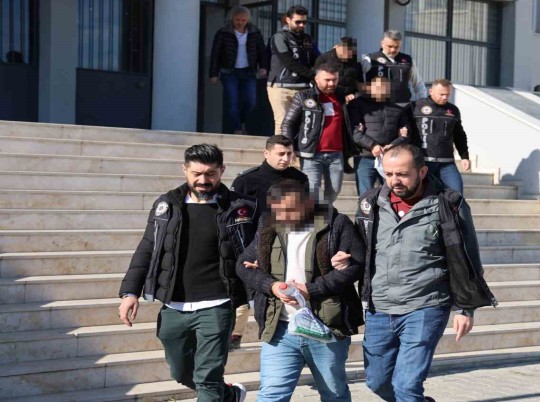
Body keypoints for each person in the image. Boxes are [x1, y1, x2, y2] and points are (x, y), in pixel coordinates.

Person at [351, 143, 494, 402]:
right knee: (377, 381)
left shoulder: (449, 204)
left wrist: (466, 308)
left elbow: (468, 257)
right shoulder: (369, 203)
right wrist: (345, 259)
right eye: (389, 174)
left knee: (406, 386)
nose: (394, 180)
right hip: (379, 307)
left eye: (403, 174)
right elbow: (360, 250)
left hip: (426, 306)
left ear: (422, 171)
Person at [118, 144, 257, 402]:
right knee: (181, 371)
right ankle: (229, 396)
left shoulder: (242, 207)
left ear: (222, 170)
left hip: (218, 304)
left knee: (207, 377)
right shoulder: (166, 205)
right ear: (185, 170)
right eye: (196, 174)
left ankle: (217, 393)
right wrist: (130, 292)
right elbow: (147, 248)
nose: (203, 180)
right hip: (174, 305)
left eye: (210, 174)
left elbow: (262, 244)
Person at [235, 179, 364, 401]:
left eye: (290, 209)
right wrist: (271, 286)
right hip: (280, 329)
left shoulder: (336, 224)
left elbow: (357, 266)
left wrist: (311, 290)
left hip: (326, 327)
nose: (284, 216)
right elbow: (242, 265)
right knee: (271, 394)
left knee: (334, 394)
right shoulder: (268, 226)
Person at [227, 134, 309, 350]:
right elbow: (233, 218)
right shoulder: (246, 181)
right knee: (243, 291)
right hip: (249, 243)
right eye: (280, 154)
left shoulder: (300, 179)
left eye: (289, 154)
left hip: (286, 245)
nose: (285, 158)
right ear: (266, 153)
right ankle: (235, 333)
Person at [281, 63, 357, 205]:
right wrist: (288, 147)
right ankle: (316, 215)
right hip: (311, 153)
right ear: (316, 79)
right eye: (327, 80)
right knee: (312, 191)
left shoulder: (342, 96)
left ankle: (324, 213)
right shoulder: (303, 97)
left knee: (334, 191)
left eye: (334, 80)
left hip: (336, 154)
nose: (331, 83)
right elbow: (288, 123)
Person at [210, 5, 268, 134]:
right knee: (232, 101)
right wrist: (213, 74)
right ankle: (237, 128)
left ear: (247, 20)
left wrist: (263, 67)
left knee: (251, 101)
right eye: (237, 20)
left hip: (249, 71)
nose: (240, 23)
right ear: (232, 18)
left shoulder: (254, 32)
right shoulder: (223, 32)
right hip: (229, 72)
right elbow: (216, 54)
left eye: (243, 20)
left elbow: (261, 51)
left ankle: (242, 121)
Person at [349, 76, 410, 195]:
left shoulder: (397, 109)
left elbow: (406, 134)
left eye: (384, 88)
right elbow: (353, 131)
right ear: (371, 88)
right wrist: (372, 146)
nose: (381, 91)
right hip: (365, 157)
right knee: (365, 195)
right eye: (377, 88)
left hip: (390, 159)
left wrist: (393, 145)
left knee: (391, 194)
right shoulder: (357, 105)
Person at [408, 79, 470, 193]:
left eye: (447, 94)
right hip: (423, 162)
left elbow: (459, 135)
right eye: (441, 94)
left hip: (446, 163)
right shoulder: (415, 107)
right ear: (431, 91)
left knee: (456, 194)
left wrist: (464, 156)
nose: (445, 97)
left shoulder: (453, 110)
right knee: (423, 195)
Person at [267, 5, 319, 134]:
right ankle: (280, 147)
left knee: (304, 123)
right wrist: (313, 75)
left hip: (303, 88)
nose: (301, 25)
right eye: (298, 22)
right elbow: (289, 62)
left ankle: (296, 147)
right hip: (281, 87)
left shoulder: (308, 39)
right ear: (288, 20)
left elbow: (318, 59)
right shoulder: (279, 37)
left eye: (304, 22)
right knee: (283, 122)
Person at [361, 30, 427, 106]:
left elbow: (418, 83)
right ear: (382, 43)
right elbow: (360, 83)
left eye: (396, 47)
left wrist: (422, 102)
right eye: (389, 46)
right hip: (378, 107)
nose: (393, 50)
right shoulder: (370, 59)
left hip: (403, 106)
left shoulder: (408, 60)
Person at [314, 37, 363, 102]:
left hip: (351, 99)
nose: (348, 53)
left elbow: (359, 82)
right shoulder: (324, 59)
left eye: (350, 51)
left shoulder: (355, 62)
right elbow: (315, 80)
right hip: (329, 98)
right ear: (337, 47)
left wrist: (355, 95)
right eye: (345, 50)